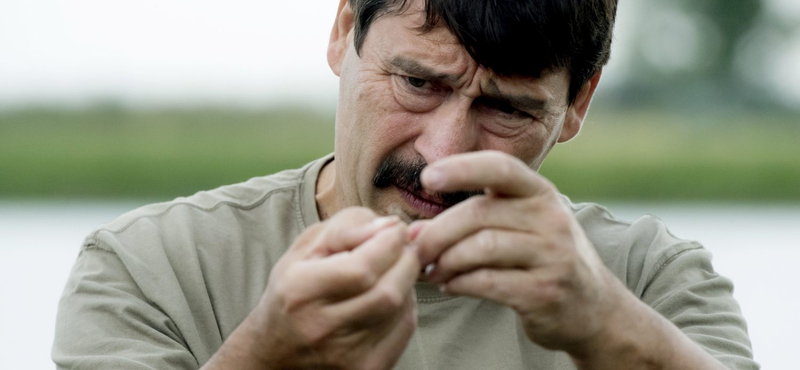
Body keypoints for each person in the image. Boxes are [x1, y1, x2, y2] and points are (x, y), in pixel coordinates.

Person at [52, 0, 757, 369]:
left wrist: (605, 324)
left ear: (578, 104)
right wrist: (267, 359)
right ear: (344, 31)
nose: (442, 154)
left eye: (507, 109)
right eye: (418, 82)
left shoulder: (650, 281)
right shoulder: (150, 268)